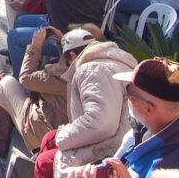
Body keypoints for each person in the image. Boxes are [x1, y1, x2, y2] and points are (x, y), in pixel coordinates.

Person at [67, 58, 179, 178]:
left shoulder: (174, 167)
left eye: (129, 91)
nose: (125, 96)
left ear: (149, 108)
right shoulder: (176, 129)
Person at [33, 39, 137, 178]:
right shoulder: (112, 62)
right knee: (49, 138)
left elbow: (101, 124)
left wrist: (62, 136)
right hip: (114, 136)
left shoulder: (92, 70)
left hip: (112, 145)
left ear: (73, 56)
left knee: (44, 162)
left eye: (65, 63)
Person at [0, 26, 90, 157]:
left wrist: (35, 46)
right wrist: (63, 41)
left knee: (7, 83)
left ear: (73, 56)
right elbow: (70, 59)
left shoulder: (65, 77)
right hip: (69, 134)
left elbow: (25, 78)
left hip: (45, 138)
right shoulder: (94, 71)